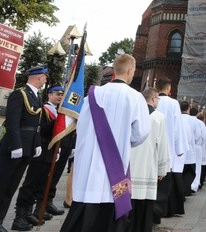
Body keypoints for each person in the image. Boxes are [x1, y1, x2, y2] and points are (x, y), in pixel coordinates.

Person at [60, 54, 151, 232]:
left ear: (114, 70)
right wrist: (124, 141)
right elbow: (141, 133)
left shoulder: (90, 97)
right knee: (110, 215)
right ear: (131, 71)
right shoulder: (135, 97)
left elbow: (80, 127)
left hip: (87, 169)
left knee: (82, 214)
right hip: (115, 167)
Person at [0, 65, 47, 232]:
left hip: (28, 147)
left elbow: (36, 125)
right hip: (14, 147)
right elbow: (12, 122)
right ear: (38, 76)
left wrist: (36, 144)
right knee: (0, 185)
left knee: (11, 186)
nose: (45, 79)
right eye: (45, 76)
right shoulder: (19, 94)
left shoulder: (37, 97)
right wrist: (16, 145)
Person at [12, 84, 65, 229]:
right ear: (49, 95)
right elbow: (41, 130)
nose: (59, 96)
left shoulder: (58, 111)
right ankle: (20, 215)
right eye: (56, 94)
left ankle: (32, 213)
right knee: (31, 183)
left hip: (52, 151)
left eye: (61, 94)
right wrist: (58, 121)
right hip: (40, 150)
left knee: (42, 184)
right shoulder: (43, 110)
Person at [128, 88, 169, 232]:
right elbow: (163, 144)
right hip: (147, 167)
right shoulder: (158, 117)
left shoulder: (132, 113)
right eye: (157, 99)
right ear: (153, 99)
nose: (158, 101)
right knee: (144, 202)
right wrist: (163, 169)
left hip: (129, 167)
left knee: (129, 201)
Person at [154, 78, 188, 218]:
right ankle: (165, 209)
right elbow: (177, 128)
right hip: (168, 147)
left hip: (152, 145)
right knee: (166, 178)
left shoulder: (151, 100)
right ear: (169, 89)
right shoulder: (173, 103)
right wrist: (180, 149)